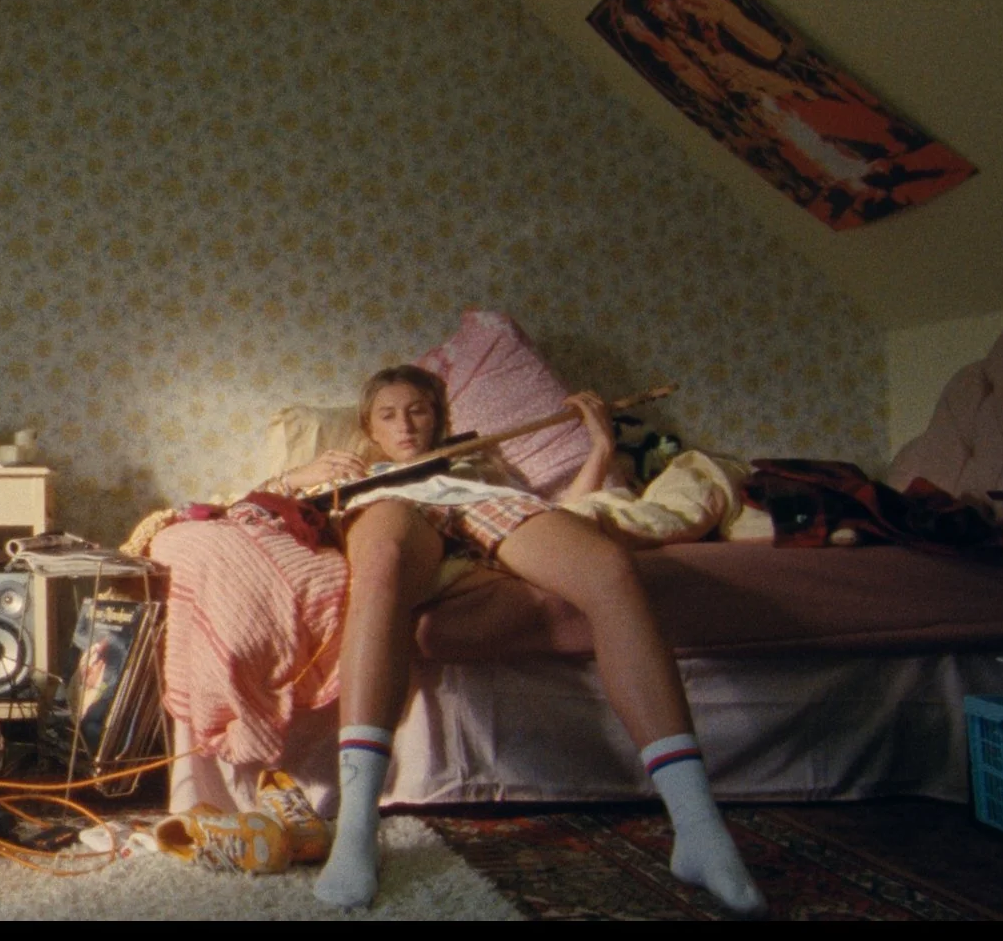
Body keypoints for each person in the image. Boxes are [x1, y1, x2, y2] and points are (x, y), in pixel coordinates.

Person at [261, 365, 764, 915]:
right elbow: (258, 508)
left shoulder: (480, 462)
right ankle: (358, 830)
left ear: (439, 418)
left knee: (610, 568)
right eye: (388, 414)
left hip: (476, 500)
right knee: (380, 563)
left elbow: (573, 508)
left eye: (418, 410)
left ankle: (698, 827)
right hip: (394, 506)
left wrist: (601, 446)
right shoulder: (357, 472)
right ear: (369, 428)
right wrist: (298, 476)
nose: (404, 424)